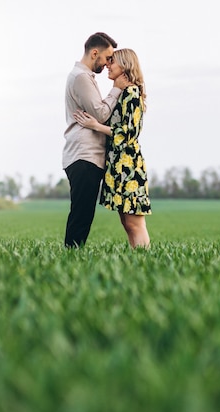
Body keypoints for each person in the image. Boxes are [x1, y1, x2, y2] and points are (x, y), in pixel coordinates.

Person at [73, 48, 151, 249]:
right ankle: (140, 263)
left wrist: (96, 126)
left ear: (125, 65)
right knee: (127, 223)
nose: (108, 64)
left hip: (129, 165)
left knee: (134, 223)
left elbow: (129, 133)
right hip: (117, 165)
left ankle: (146, 262)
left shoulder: (132, 92)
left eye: (112, 62)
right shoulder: (123, 93)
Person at [63, 32, 130, 248]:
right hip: (85, 155)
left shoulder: (84, 77)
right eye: (107, 57)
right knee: (81, 214)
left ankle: (71, 256)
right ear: (94, 53)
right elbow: (101, 114)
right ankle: (70, 257)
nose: (109, 63)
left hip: (87, 155)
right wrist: (117, 89)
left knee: (84, 213)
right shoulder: (81, 77)